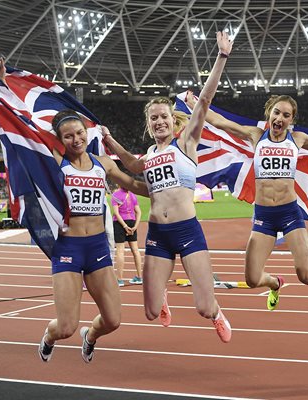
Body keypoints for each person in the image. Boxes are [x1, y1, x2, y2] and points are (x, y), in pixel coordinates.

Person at [0, 59, 150, 364]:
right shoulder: (55, 161)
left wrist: (164, 190)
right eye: (69, 136)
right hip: (67, 247)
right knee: (65, 327)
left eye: (79, 133)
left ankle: (90, 336)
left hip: (97, 249)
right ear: (60, 139)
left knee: (113, 320)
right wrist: (4, 85)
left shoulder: (103, 163)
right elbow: (23, 123)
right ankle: (49, 335)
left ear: (86, 132)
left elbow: (132, 182)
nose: (76, 139)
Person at [102, 32, 233, 342]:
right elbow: (133, 168)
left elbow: (204, 102)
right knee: (149, 312)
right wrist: (109, 141)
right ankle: (161, 297)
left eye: (163, 117)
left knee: (203, 306)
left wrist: (221, 57)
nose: (159, 122)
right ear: (149, 124)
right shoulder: (149, 155)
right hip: (157, 234)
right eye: (153, 119)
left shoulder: (186, 143)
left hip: (187, 231)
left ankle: (217, 314)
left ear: (173, 122)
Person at [185, 96, 308, 314]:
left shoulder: (298, 139)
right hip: (264, 216)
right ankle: (275, 283)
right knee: (253, 279)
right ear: (269, 113)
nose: (280, 118)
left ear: (291, 119)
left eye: (286, 115)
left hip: (290, 213)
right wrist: (196, 105)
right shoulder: (256, 135)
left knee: (306, 275)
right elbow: (220, 122)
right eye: (277, 112)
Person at [111, 185, 143, 286]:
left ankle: (119, 279)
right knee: (135, 250)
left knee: (120, 250)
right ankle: (139, 276)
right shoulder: (133, 195)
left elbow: (116, 213)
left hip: (120, 224)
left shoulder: (115, 195)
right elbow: (138, 212)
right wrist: (135, 226)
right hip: (132, 222)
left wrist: (124, 226)